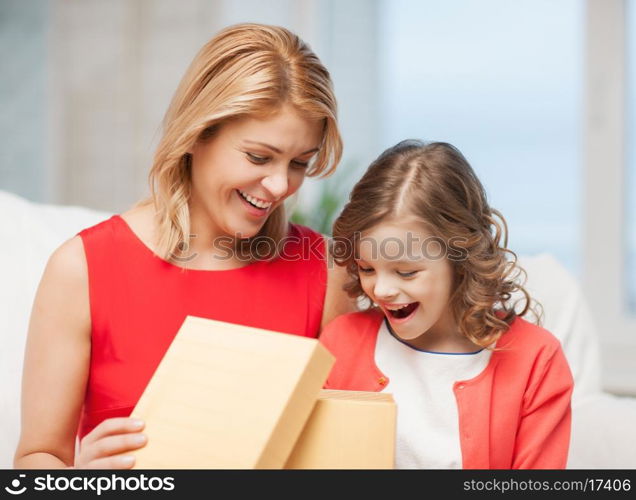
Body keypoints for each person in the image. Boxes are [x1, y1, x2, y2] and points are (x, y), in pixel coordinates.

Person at [14, 23, 357, 469]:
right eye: (258, 157)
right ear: (197, 133)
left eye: (299, 163)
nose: (278, 185)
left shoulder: (324, 272)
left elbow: (351, 449)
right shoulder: (81, 269)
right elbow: (38, 460)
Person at [321, 140, 574, 469]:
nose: (381, 289)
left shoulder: (535, 360)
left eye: (406, 272)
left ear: (459, 261)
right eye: (367, 268)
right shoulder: (341, 344)